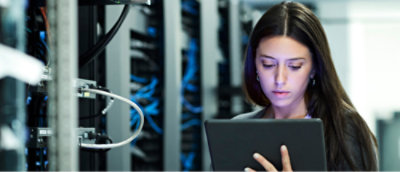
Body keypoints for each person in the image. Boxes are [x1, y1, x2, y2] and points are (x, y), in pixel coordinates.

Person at [234, 1, 378, 171]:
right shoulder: (240, 129)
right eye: (268, 64)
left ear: (314, 67)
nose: (280, 78)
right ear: (254, 64)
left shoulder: (345, 131)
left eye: (294, 66)